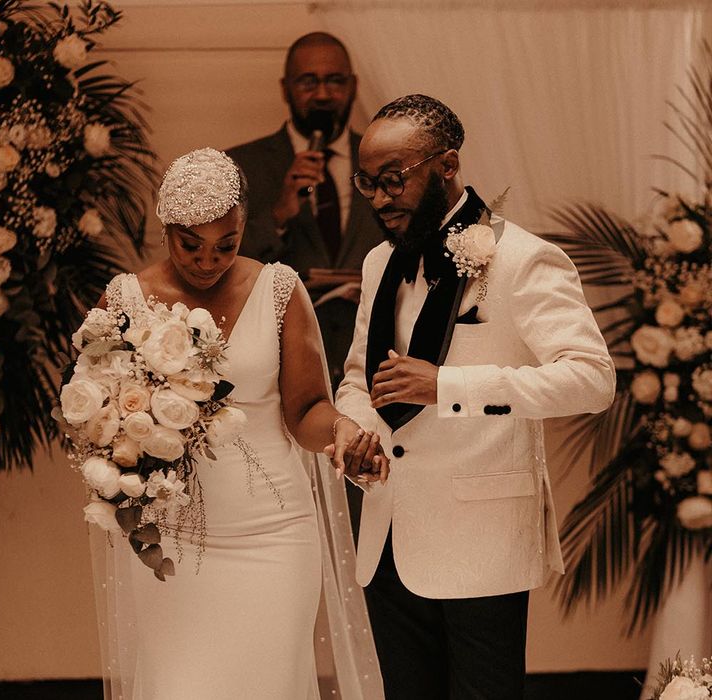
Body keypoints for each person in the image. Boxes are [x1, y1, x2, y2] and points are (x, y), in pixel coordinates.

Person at [332, 95, 616, 699]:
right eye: (368, 183)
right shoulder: (380, 261)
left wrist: (450, 387)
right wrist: (354, 433)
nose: (380, 199)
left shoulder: (523, 258)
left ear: (447, 165)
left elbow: (592, 378)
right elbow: (358, 378)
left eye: (393, 180)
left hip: (482, 546)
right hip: (387, 539)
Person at [90, 148, 386, 699]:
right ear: (166, 230)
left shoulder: (278, 290)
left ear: (245, 227)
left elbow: (304, 413)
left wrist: (341, 429)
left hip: (274, 536)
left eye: (226, 245)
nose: (209, 261)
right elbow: (98, 422)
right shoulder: (125, 299)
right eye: (191, 245)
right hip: (172, 538)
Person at [226, 31, 384, 391]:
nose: (324, 94)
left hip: (374, 359)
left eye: (335, 81)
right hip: (278, 362)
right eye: (308, 81)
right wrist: (279, 214)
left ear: (353, 86)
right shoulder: (238, 166)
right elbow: (217, 264)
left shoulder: (385, 160)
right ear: (285, 88)